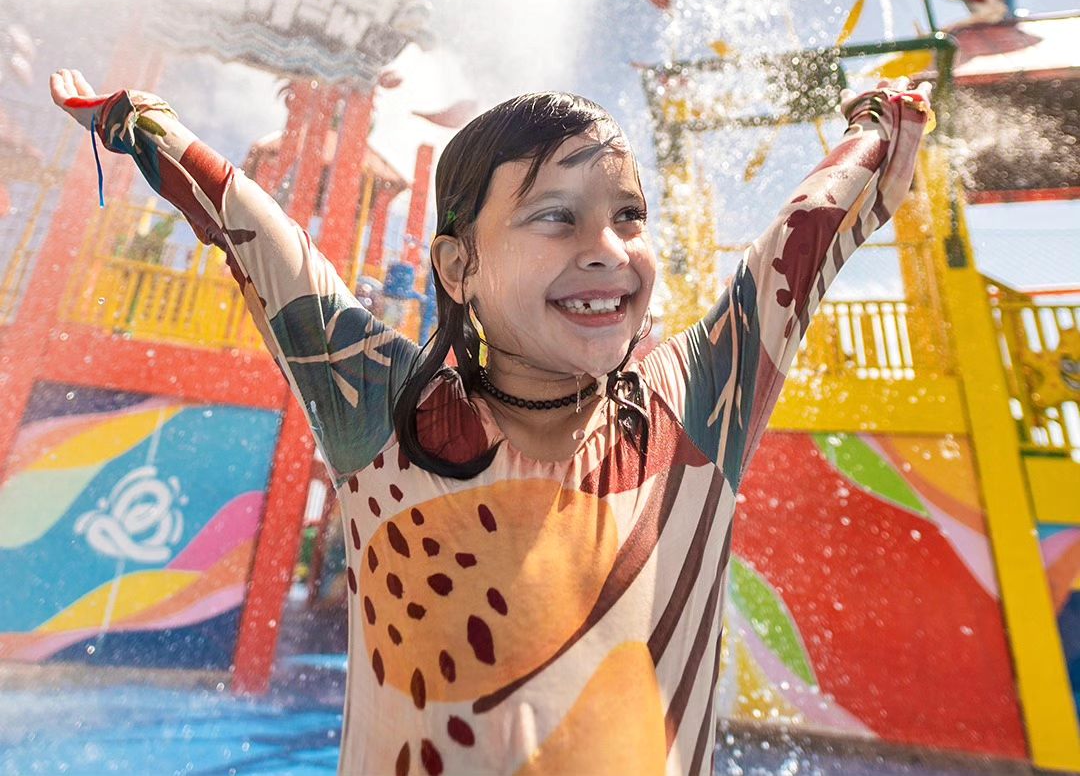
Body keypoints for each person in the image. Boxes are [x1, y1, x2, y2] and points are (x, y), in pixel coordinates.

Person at [49, 67, 932, 776]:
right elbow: (260, 238)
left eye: (629, 215)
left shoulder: (693, 409)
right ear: (458, 265)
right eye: (556, 217)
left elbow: (803, 236)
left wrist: (877, 126)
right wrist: (142, 124)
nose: (608, 249)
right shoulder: (388, 416)